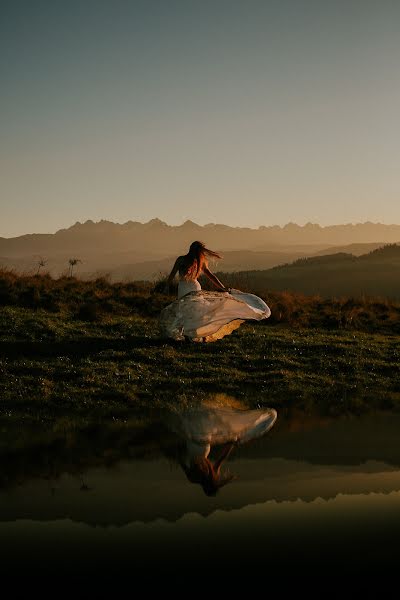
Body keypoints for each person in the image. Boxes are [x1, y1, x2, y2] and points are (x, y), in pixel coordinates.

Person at [159, 240, 271, 342]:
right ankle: (197, 335)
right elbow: (211, 277)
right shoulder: (198, 262)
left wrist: (166, 286)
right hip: (194, 286)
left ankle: (190, 335)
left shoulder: (182, 259)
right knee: (197, 312)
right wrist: (222, 288)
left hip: (184, 287)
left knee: (185, 311)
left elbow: (172, 274)